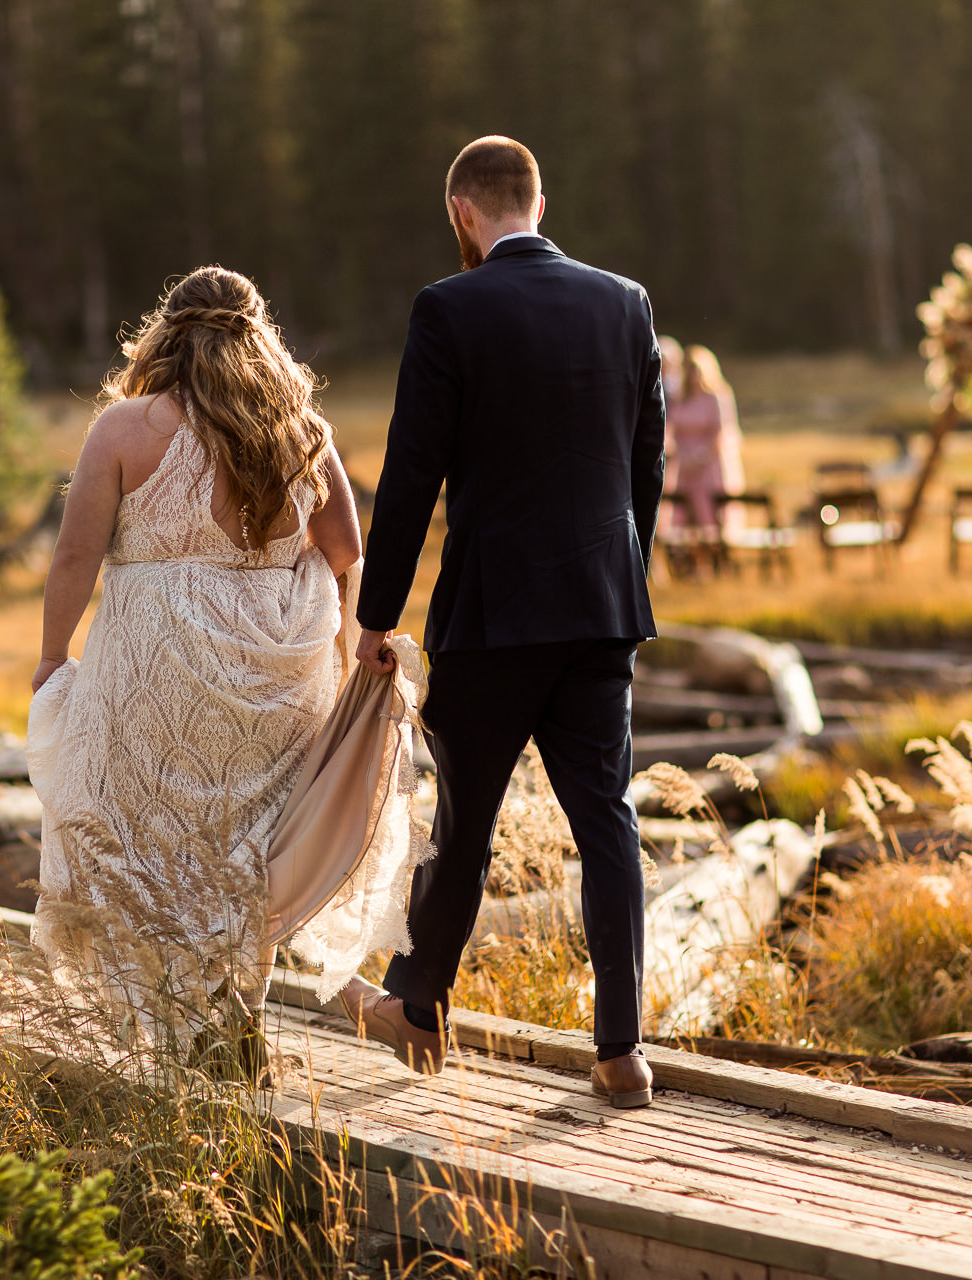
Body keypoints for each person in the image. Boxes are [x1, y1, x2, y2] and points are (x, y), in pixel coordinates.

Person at [344, 135, 667, 1109]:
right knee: (606, 818)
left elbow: (410, 476)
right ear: (539, 199)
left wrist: (376, 615)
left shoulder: (450, 307)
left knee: (464, 824)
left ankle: (422, 1007)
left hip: (493, 614)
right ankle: (621, 1050)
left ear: (462, 215)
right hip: (602, 610)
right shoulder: (626, 302)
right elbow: (647, 464)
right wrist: (622, 573)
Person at [26, 266, 425, 1046]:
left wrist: (51, 657)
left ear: (163, 336)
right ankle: (248, 1009)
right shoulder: (300, 430)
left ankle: (196, 1022)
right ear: (259, 335)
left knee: (148, 839)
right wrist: (355, 644)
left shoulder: (123, 428)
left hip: (159, 673)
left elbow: (75, 556)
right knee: (254, 840)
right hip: (276, 674)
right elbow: (346, 553)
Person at [665, 344, 745, 537]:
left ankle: (716, 552)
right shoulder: (680, 398)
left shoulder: (716, 396)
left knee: (711, 513)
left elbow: (722, 431)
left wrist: (701, 457)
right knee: (681, 512)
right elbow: (670, 428)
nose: (693, 375)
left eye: (697, 369)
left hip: (710, 464)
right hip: (683, 465)